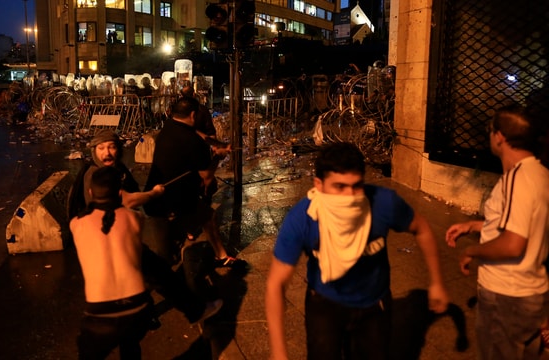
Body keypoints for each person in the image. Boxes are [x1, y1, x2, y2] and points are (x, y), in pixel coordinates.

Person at [265, 142, 449, 360]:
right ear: (319, 185)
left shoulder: (383, 204)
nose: (350, 196)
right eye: (340, 187)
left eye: (357, 186)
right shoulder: (302, 219)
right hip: (324, 304)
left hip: (374, 304)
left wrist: (437, 283)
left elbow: (422, 229)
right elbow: (276, 283)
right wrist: (278, 353)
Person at [445, 105, 549, 359]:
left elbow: (513, 243)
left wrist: (472, 250)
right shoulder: (539, 173)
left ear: (500, 136)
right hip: (530, 296)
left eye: (490, 130)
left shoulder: (518, 178)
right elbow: (522, 223)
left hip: (507, 296)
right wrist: (473, 226)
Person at [142, 96, 224, 322]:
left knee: (207, 215)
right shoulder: (191, 141)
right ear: (193, 115)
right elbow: (207, 177)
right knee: (163, 262)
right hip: (170, 206)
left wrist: (207, 142)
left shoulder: (168, 128)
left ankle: (222, 255)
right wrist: (218, 156)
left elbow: (194, 137)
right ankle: (139, 302)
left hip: (160, 200)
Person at [70, 166, 155, 360]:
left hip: (100, 315)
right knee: (131, 346)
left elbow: (94, 219)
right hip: (138, 308)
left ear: (91, 193)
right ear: (119, 193)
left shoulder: (76, 223)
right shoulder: (136, 218)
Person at [179, 85, 240, 268]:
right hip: (192, 164)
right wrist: (219, 153)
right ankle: (195, 231)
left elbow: (203, 133)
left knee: (205, 204)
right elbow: (206, 175)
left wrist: (216, 144)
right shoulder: (189, 115)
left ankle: (217, 251)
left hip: (195, 159)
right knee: (204, 199)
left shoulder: (190, 115)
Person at [67, 129, 164, 219]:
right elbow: (127, 201)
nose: (107, 153)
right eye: (101, 148)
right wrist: (154, 193)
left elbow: (133, 190)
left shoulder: (120, 168)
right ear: (94, 151)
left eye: (112, 147)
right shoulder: (95, 175)